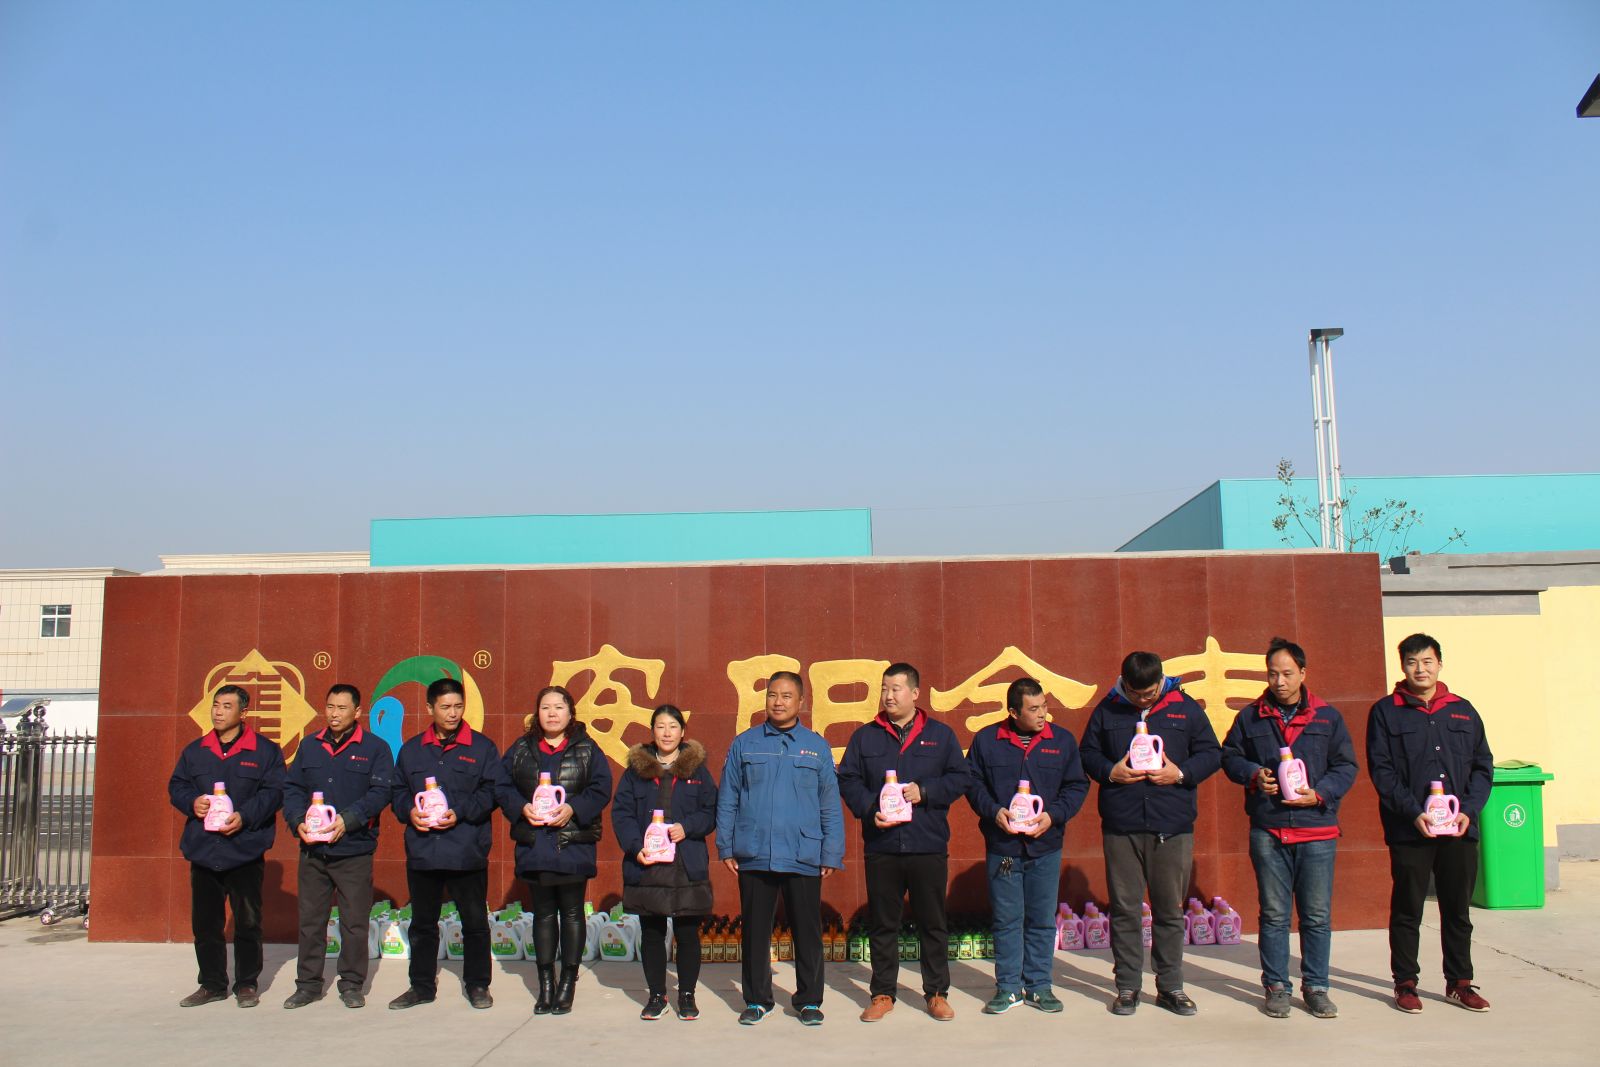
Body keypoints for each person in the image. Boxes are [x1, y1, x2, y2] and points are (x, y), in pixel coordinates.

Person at [1220, 638, 1358, 1020]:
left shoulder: (1326, 717)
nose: (1279, 681)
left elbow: (1346, 766)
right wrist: (1253, 775)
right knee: (1274, 914)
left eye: (1286, 673)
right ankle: (1276, 986)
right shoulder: (1250, 717)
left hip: (1317, 831)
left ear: (1302, 673)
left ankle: (1316, 987)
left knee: (1316, 916)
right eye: (1272, 674)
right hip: (1270, 830)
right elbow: (1229, 756)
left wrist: (1320, 793)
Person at [1080, 651, 1221, 1017]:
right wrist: (1110, 772)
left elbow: (1211, 753)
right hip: (1122, 825)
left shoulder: (1184, 708)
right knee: (1125, 910)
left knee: (1169, 910)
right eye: (1135, 693)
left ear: (1161, 681)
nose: (1143, 699)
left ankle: (1171, 986)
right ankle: (1127, 986)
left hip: (1171, 825)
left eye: (1150, 692)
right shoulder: (1108, 710)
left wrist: (1180, 773)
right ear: (1124, 684)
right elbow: (1087, 753)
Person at [1367, 633, 1495, 1014]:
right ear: (1402, 667)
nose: (1420, 669)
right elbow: (1382, 771)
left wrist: (1468, 810)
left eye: (1427, 661)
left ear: (1439, 663)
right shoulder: (1386, 712)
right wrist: (1412, 811)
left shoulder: (1463, 711)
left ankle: (1460, 983)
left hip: (1458, 829)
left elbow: (1483, 767)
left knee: (1457, 910)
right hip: (1411, 829)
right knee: (1408, 908)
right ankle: (1405, 983)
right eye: (1412, 662)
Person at [837, 663, 968, 1022]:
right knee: (883, 924)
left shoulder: (940, 735)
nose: (889, 696)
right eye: (884, 688)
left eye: (896, 689)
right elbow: (848, 779)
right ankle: (882, 993)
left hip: (927, 844)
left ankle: (937, 993)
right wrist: (870, 808)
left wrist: (925, 791)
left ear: (915, 693)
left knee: (932, 923)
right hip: (882, 845)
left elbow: (961, 777)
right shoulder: (866, 737)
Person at [717, 670, 845, 1027]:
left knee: (807, 930)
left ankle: (809, 1000)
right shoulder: (745, 744)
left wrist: (831, 852)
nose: (778, 702)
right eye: (772, 695)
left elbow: (829, 803)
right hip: (754, 851)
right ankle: (757, 999)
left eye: (787, 696)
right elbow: (728, 798)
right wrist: (726, 845)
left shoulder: (816, 746)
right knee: (755, 931)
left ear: (801, 701)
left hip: (803, 852)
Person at [966, 676, 1089, 1015]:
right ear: (1013, 712)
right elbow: (972, 783)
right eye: (1033, 709)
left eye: (1044, 706)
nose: (1042, 714)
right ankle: (1008, 988)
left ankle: (1039, 986)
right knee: (1007, 919)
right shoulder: (988, 740)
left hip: (1045, 845)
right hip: (1003, 847)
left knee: (1041, 919)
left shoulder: (1061, 741)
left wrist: (1054, 815)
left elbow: (1077, 785)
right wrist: (994, 811)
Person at [167, 683, 286, 1008]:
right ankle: (212, 984)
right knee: (206, 924)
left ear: (243, 712)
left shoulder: (264, 751)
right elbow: (177, 785)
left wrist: (245, 817)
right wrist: (191, 802)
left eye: (227, 706)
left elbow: (274, 792)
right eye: (216, 705)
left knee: (247, 922)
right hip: (204, 850)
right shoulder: (196, 751)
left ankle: (246, 984)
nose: (218, 712)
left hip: (244, 850)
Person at [387, 677, 502, 1011]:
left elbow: (492, 791)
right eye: (445, 707)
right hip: (424, 849)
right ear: (430, 708)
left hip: (466, 848)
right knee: (423, 924)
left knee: (474, 923)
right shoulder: (412, 750)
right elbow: (397, 791)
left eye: (458, 706)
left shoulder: (481, 748)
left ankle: (478, 984)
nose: (453, 713)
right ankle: (421, 986)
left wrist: (460, 811)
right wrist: (409, 812)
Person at [498, 685, 612, 1015]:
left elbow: (601, 787)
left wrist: (573, 808)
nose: (552, 713)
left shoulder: (586, 748)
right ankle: (546, 983)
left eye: (559, 707)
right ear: (537, 713)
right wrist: (521, 808)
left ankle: (567, 983)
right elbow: (501, 785)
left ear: (570, 713)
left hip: (572, 842)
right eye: (545, 707)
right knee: (544, 913)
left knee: (573, 913)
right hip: (536, 844)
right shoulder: (522, 748)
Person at [280, 683, 395, 1009]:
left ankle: (352, 984)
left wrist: (348, 820)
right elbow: (292, 788)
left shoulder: (375, 748)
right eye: (330, 706)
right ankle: (308, 985)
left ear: (357, 712)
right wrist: (297, 821)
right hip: (313, 850)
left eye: (342, 708)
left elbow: (380, 793)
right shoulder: (310, 746)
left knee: (354, 922)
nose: (334, 714)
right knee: (311, 921)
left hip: (353, 850)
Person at [612, 704, 718, 1021]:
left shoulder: (697, 771)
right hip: (649, 862)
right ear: (652, 731)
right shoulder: (636, 771)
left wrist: (688, 827)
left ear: (683, 732)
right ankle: (657, 995)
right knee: (652, 933)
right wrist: (635, 847)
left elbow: (711, 811)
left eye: (673, 726)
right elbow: (622, 813)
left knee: (687, 932)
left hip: (686, 862)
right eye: (660, 726)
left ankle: (687, 995)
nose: (667, 733)